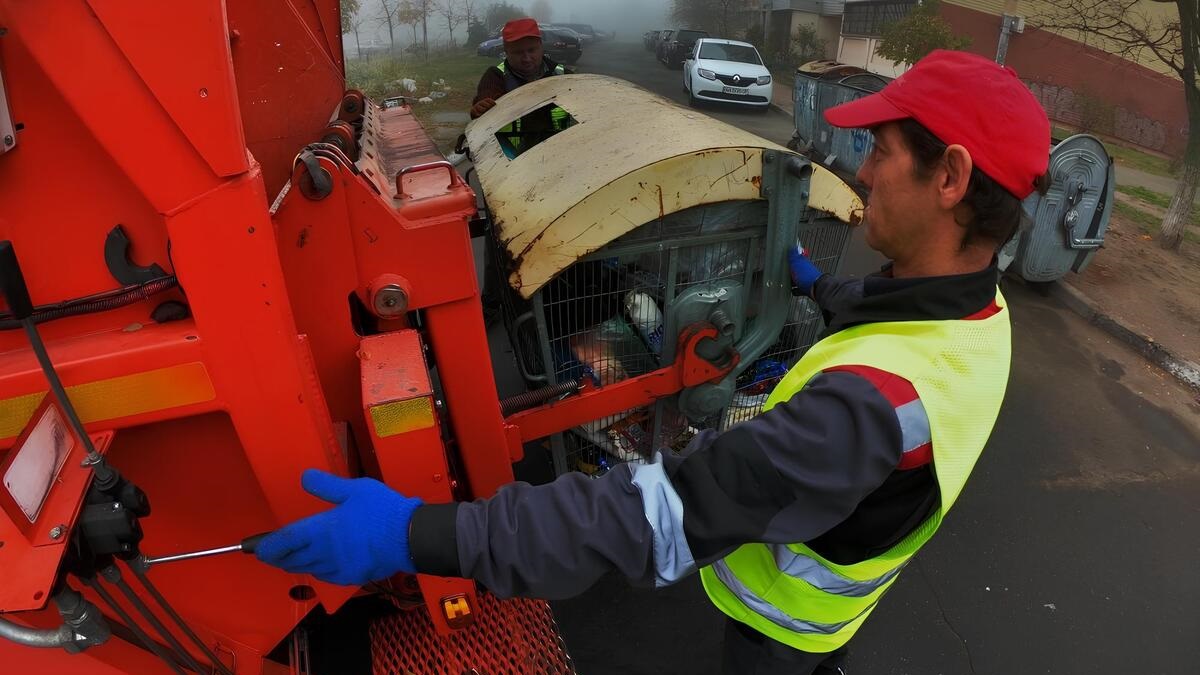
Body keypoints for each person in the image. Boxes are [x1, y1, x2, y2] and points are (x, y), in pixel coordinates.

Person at [255, 50, 1050, 674]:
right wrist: (815, 282)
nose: (861, 171)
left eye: (879, 151)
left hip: (775, 633)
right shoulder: (979, 316)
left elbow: (649, 516)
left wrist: (421, 532)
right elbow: (882, 315)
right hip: (840, 604)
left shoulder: (858, 414)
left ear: (949, 176)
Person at [469, 17, 571, 152]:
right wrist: (480, 108)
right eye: (518, 52)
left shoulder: (564, 74)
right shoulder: (496, 75)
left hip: (563, 149)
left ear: (541, 46)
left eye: (531, 50)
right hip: (516, 157)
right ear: (506, 51)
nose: (527, 58)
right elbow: (486, 99)